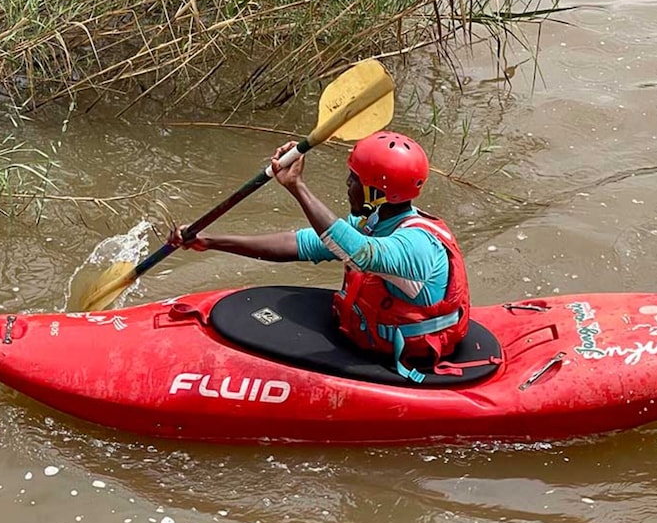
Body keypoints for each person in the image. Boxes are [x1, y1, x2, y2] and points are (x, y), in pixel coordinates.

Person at [170, 131, 470, 382]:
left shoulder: (416, 245)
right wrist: (209, 241)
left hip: (406, 356)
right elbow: (298, 244)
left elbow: (361, 253)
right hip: (365, 335)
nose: (347, 185)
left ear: (374, 191)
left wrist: (297, 187)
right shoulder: (374, 222)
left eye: (353, 179)